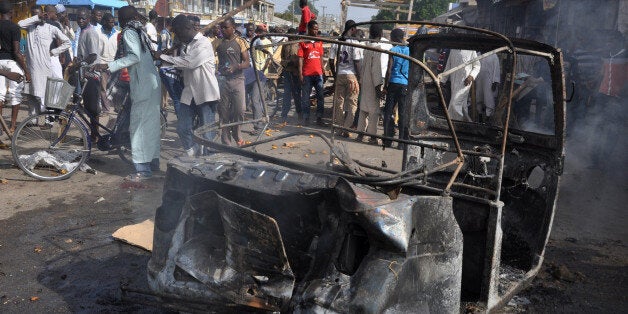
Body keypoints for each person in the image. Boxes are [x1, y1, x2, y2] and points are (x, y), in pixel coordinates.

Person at [93, 6, 161, 181]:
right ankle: (153, 163)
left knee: (138, 127)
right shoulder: (141, 30)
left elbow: (134, 57)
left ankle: (142, 170)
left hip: (142, 84)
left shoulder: (129, 32)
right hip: (152, 83)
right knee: (151, 125)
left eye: (118, 18)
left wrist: (108, 65)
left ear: (122, 19)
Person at [157, 14, 220, 156]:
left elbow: (190, 63)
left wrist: (163, 57)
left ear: (186, 28)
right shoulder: (187, 46)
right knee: (183, 128)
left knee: (207, 134)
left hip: (206, 94)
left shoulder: (203, 43)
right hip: (189, 93)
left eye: (178, 33)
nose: (177, 36)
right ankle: (194, 156)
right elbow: (182, 65)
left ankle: (210, 164)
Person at [18, 5, 70, 115]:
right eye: (33, 15)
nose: (36, 16)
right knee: (31, 94)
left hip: (44, 67)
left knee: (45, 95)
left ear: (44, 14)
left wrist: (54, 52)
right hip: (30, 67)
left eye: (38, 14)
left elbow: (67, 42)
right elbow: (19, 24)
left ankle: (49, 120)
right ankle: (33, 119)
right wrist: (36, 18)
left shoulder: (51, 28)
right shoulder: (30, 27)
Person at [215, 17, 250, 146]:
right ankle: (226, 139)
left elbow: (247, 62)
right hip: (223, 81)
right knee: (223, 112)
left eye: (225, 27)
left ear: (233, 28)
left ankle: (237, 132)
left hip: (238, 80)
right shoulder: (217, 42)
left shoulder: (240, 42)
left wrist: (236, 66)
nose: (222, 30)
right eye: (221, 27)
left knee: (240, 109)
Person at [356, 24, 390, 144]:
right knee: (373, 112)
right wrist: (378, 88)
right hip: (372, 84)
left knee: (363, 109)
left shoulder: (367, 47)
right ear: (381, 34)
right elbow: (376, 70)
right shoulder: (377, 49)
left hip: (364, 82)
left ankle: (360, 134)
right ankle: (372, 136)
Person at [329, 20, 362, 135]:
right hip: (351, 75)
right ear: (352, 29)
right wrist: (359, 78)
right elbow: (357, 62)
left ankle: (339, 128)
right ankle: (347, 128)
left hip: (340, 74)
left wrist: (335, 75)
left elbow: (331, 61)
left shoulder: (337, 42)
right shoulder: (354, 43)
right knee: (352, 102)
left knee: (339, 102)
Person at [76, 8, 104, 141]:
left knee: (93, 108)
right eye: (79, 18)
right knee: (88, 106)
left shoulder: (90, 33)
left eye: (83, 18)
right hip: (85, 74)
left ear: (88, 18)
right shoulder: (82, 31)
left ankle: (95, 135)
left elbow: (93, 55)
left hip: (92, 74)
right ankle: (93, 134)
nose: (80, 20)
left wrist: (78, 64)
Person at [0, 1, 28, 133]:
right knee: (15, 94)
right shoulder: (14, 27)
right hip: (11, 63)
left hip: (0, 63)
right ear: (11, 12)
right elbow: (17, 52)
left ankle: (0, 127)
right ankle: (12, 126)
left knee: (0, 96)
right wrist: (26, 70)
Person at [382, 28, 409, 148]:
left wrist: (385, 86)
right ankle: (401, 143)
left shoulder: (393, 50)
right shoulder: (409, 50)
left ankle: (387, 140)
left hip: (393, 83)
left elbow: (389, 70)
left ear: (394, 38)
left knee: (388, 112)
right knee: (402, 113)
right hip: (404, 84)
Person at [245, 26, 272, 134]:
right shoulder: (242, 40)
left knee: (255, 100)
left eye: (252, 30)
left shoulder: (256, 41)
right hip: (247, 75)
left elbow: (263, 49)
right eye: (249, 30)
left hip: (257, 75)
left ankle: (259, 126)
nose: (250, 32)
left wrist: (266, 52)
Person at [298, 20, 325, 126]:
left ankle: (319, 117)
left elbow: (321, 56)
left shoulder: (319, 41)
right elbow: (300, 59)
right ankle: (306, 118)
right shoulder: (303, 42)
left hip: (318, 74)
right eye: (314, 29)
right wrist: (300, 73)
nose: (316, 31)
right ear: (309, 29)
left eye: (317, 29)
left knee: (320, 97)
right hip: (307, 74)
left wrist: (323, 70)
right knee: (305, 98)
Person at [441, 49, 481, 121]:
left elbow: (477, 66)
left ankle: (454, 124)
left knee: (455, 103)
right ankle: (467, 123)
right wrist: (442, 80)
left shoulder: (471, 50)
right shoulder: (453, 50)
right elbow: (448, 66)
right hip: (454, 82)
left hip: (465, 83)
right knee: (462, 106)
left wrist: (471, 76)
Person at [280, 27, 302, 123]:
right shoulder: (285, 45)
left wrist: (295, 64)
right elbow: (282, 57)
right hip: (287, 72)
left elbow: (301, 59)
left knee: (297, 94)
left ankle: (300, 114)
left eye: (291, 37)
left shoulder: (299, 45)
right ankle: (284, 115)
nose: (290, 38)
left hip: (296, 73)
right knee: (286, 94)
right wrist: (286, 63)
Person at [475, 52, 500, 120]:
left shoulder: (494, 56)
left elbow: (497, 69)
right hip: (479, 80)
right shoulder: (478, 55)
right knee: (479, 97)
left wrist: (495, 81)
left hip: (489, 81)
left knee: (489, 98)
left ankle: (488, 117)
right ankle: (480, 115)